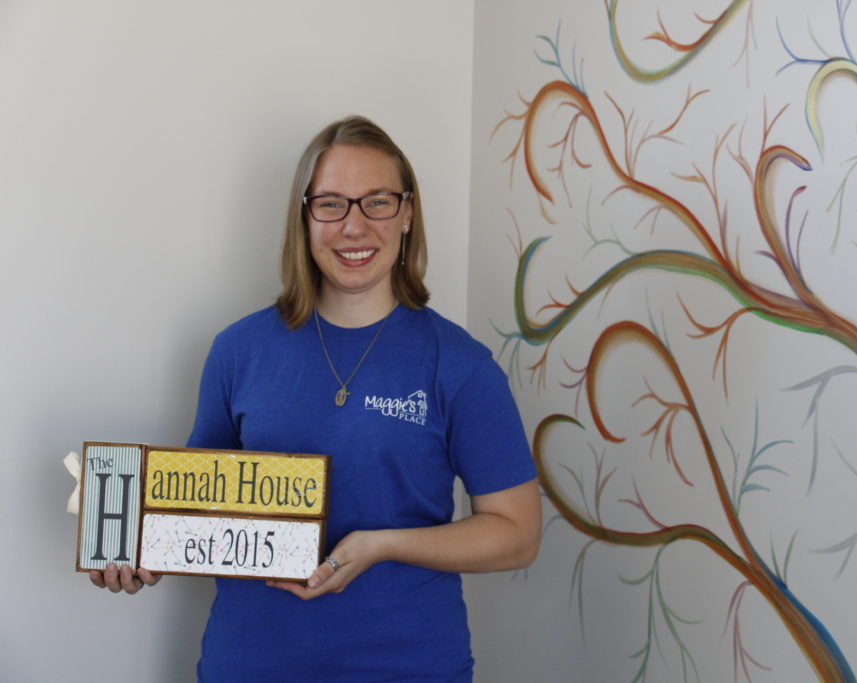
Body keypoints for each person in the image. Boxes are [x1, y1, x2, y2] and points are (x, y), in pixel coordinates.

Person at [90, 115, 541, 681]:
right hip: (249, 664)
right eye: (331, 203)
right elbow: (196, 509)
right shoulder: (238, 350)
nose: (353, 226)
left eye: (377, 201)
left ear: (407, 214)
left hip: (408, 666)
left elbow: (517, 536)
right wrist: (140, 554)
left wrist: (381, 545)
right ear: (304, 218)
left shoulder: (461, 365)